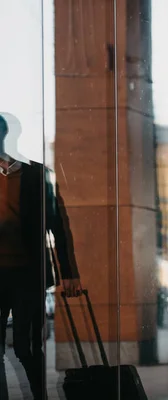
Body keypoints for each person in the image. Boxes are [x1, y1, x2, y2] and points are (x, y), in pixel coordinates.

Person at [0, 113, 82, 400]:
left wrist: (68, 273)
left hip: (26, 275)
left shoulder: (34, 174)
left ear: (7, 136)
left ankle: (39, 397)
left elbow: (57, 224)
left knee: (25, 347)